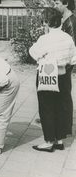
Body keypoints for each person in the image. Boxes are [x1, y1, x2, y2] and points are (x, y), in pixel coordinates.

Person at [29, 8, 76, 152]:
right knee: (61, 107)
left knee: (47, 107)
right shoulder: (67, 37)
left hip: (47, 76)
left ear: (46, 22)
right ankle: (59, 140)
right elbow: (73, 59)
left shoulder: (45, 38)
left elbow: (34, 52)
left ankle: (48, 141)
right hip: (63, 75)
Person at [54, 0, 76, 136]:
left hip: (65, 64)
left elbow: (71, 45)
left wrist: (64, 66)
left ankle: (66, 127)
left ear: (66, 4)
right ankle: (60, 121)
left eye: (57, 4)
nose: (54, 6)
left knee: (64, 94)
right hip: (62, 63)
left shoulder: (71, 22)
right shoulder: (65, 20)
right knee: (61, 93)